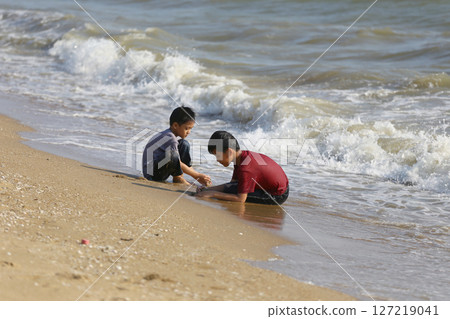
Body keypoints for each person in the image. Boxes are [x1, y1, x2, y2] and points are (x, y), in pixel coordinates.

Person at [196, 131, 289, 204]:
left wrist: (212, 193)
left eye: (218, 155)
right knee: (232, 190)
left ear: (229, 152)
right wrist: (209, 189)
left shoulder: (246, 168)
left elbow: (240, 199)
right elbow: (233, 184)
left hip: (277, 195)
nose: (217, 159)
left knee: (232, 194)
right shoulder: (242, 157)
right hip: (278, 186)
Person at [142, 106, 211, 186]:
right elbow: (177, 162)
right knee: (173, 155)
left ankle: (178, 177)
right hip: (151, 174)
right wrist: (197, 176)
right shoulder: (171, 138)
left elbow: (179, 162)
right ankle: (178, 177)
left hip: (157, 167)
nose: (189, 132)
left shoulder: (169, 135)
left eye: (190, 129)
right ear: (175, 125)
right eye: (186, 128)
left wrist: (198, 176)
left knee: (184, 144)